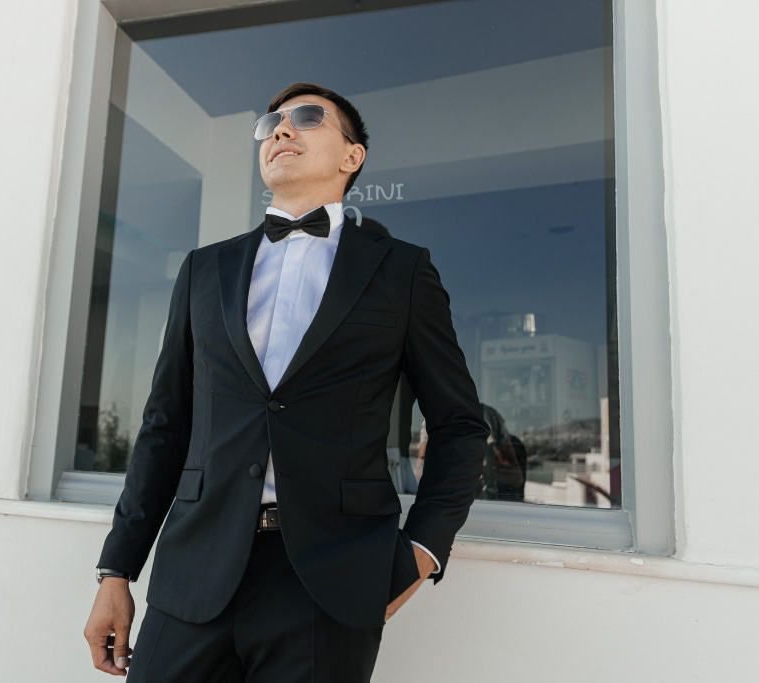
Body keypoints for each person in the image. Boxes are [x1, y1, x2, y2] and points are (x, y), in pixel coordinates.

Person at [84, 82, 489, 682]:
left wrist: (423, 552)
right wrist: (116, 569)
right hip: (194, 570)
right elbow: (164, 426)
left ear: (352, 156)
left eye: (306, 117)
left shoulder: (402, 270)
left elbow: (459, 426)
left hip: (328, 584)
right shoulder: (203, 269)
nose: (280, 128)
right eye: (271, 121)